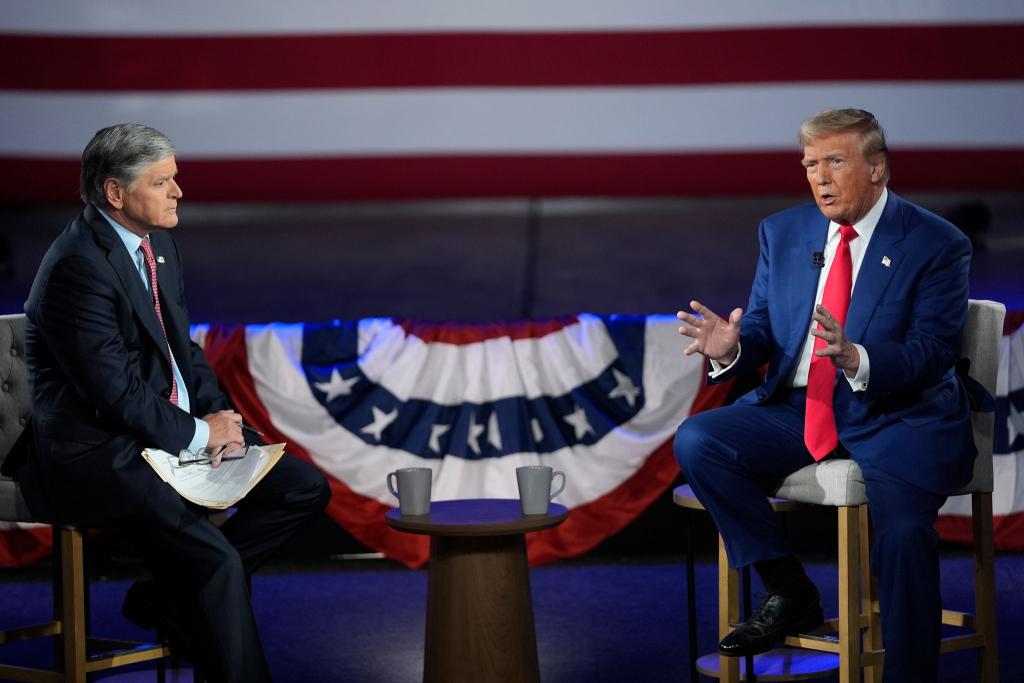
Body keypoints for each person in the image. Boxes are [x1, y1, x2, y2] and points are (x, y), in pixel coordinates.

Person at [20, 123, 332, 683]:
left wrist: (224, 422)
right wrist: (197, 435)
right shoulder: (77, 267)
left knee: (303, 489)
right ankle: (190, 601)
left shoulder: (156, 243)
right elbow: (113, 393)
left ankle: (166, 598)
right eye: (162, 181)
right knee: (217, 562)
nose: (178, 192)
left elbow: (179, 346)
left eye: (175, 178)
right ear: (115, 193)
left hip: (164, 430)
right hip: (99, 450)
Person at [673, 109, 975, 681]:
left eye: (835, 161)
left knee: (907, 535)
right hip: (801, 408)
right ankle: (790, 591)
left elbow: (933, 351)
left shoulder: (936, 243)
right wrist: (731, 349)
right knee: (700, 440)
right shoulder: (782, 231)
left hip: (898, 415)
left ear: (878, 169)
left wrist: (857, 357)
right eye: (811, 164)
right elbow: (764, 328)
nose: (820, 178)